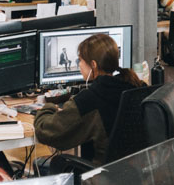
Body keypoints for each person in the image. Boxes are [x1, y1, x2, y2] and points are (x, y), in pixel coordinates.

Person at [34, 34, 147, 165]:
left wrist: (49, 107)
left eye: (80, 60)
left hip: (98, 174)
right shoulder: (137, 87)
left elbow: (45, 131)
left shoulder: (89, 100)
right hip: (137, 171)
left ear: (93, 65)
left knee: (40, 163)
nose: (79, 65)